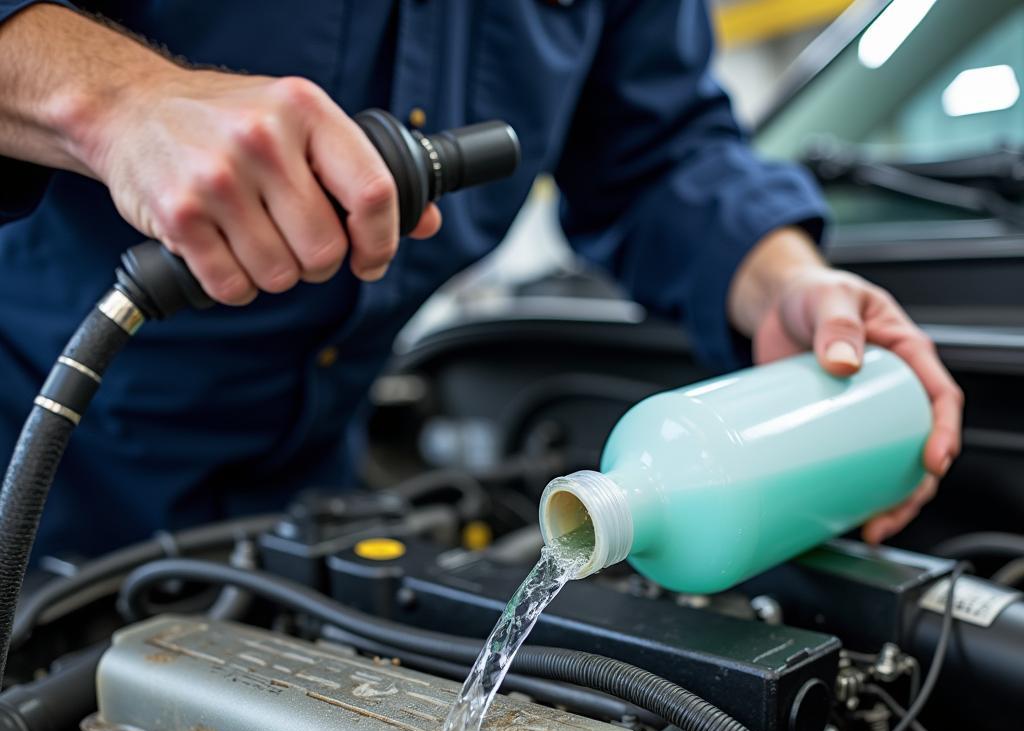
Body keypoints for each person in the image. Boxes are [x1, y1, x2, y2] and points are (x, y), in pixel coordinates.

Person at [0, 0, 962, 560]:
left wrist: (783, 280)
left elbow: (656, 149)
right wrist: (116, 101)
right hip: (32, 464)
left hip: (298, 514)